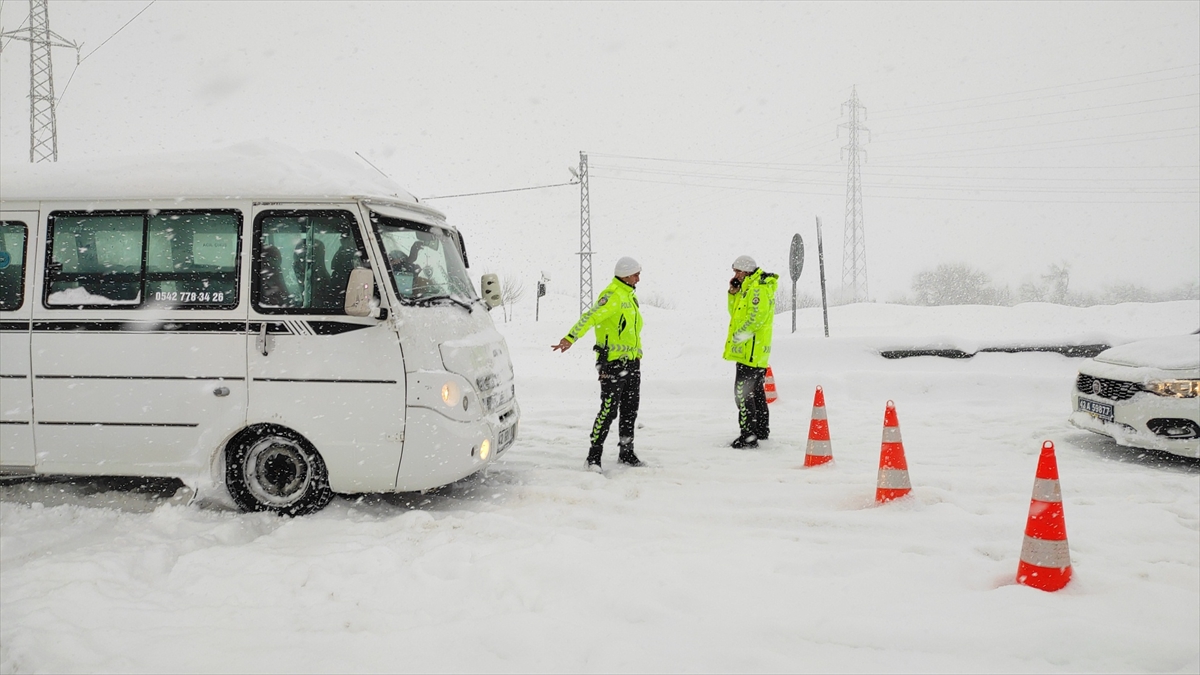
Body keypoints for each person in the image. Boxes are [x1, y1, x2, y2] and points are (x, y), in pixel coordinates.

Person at [552, 256, 645, 471]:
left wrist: (636, 356)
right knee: (608, 411)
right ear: (625, 275)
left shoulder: (630, 296)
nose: (638, 279)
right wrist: (571, 337)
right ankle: (593, 457)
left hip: (632, 364)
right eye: (636, 274)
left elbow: (631, 332)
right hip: (612, 364)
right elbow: (590, 317)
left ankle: (626, 452)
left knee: (630, 410)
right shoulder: (612, 295)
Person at [723, 255, 777, 449]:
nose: (736, 275)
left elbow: (756, 319)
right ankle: (761, 430)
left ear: (747, 271)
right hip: (752, 351)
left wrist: (739, 336)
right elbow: (736, 314)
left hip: (751, 351)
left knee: (743, 394)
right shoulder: (749, 288)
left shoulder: (757, 289)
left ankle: (748, 435)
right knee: (756, 392)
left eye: (738, 271)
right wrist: (733, 293)